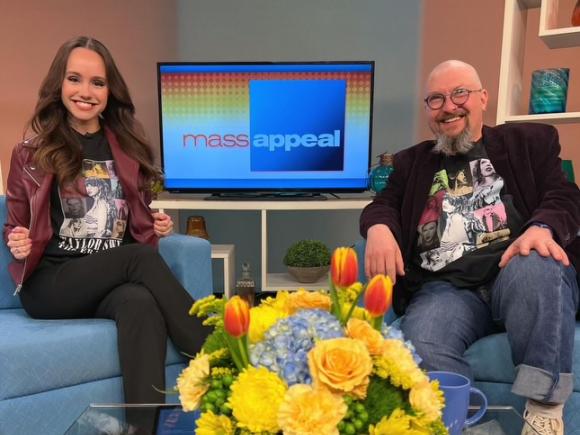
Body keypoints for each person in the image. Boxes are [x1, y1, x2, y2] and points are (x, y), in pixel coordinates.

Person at [360, 60, 580, 435]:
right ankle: (472, 428)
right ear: (429, 110)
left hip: (516, 269)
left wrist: (542, 228)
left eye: (459, 93)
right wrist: (378, 226)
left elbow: (564, 195)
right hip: (447, 289)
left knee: (537, 262)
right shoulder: (412, 162)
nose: (449, 106)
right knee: (422, 337)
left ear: (482, 98)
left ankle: (543, 410)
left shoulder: (527, 143)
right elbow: (383, 203)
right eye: (436, 99)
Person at [3, 36, 210, 413]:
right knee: (139, 260)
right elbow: (16, 223)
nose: (86, 91)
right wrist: (17, 240)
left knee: (141, 304)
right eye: (74, 79)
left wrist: (155, 223)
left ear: (110, 90)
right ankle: (216, 356)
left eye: (97, 82)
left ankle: (140, 428)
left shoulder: (128, 147)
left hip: (110, 279)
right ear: (59, 85)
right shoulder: (31, 152)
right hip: (53, 281)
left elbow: (136, 215)